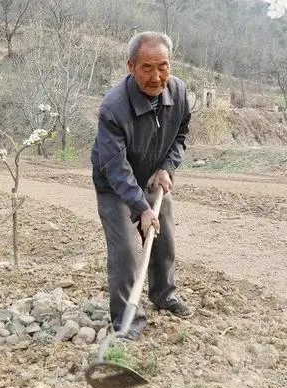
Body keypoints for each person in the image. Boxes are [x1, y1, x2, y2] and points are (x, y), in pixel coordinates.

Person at [91, 31, 192, 340]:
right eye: (147, 68)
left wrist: (167, 167)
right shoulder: (114, 108)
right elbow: (117, 169)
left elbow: (182, 134)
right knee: (126, 253)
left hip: (152, 177)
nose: (156, 76)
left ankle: (164, 295)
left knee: (164, 242)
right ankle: (127, 321)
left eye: (162, 66)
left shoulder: (178, 92)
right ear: (130, 66)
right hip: (115, 185)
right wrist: (141, 208)